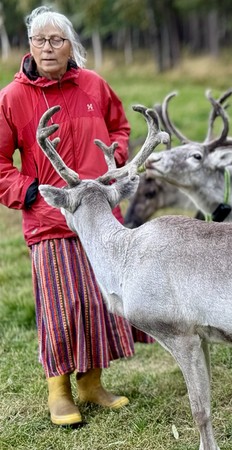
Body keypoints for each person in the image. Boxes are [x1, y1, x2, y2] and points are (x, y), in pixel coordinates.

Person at [0, 6, 152, 426]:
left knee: (100, 301)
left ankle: (92, 383)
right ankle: (59, 391)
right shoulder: (13, 97)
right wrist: (29, 193)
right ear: (29, 45)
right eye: (39, 40)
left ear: (71, 46)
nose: (48, 48)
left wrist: (116, 159)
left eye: (57, 40)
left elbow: (120, 128)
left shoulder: (93, 85)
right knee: (61, 305)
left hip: (101, 216)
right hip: (50, 220)